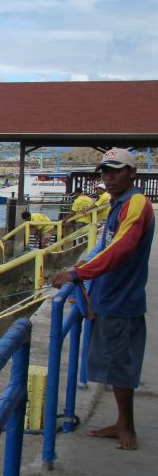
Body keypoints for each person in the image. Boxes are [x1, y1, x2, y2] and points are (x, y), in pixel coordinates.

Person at [52, 148, 154, 451]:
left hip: (122, 298)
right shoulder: (117, 204)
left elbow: (122, 248)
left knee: (121, 365)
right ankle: (122, 423)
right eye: (105, 172)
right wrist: (82, 272)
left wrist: (78, 275)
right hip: (108, 295)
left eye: (116, 170)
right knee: (112, 365)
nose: (108, 177)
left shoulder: (136, 203)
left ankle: (128, 430)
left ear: (132, 173)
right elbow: (104, 245)